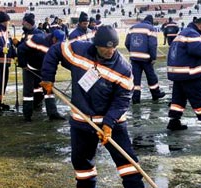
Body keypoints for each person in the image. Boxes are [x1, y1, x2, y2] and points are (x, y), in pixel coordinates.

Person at [40, 25, 145, 188]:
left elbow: (122, 100)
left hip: (112, 123)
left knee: (128, 165)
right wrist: (47, 77)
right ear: (96, 45)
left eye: (113, 48)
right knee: (83, 168)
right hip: (82, 121)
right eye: (105, 49)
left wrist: (109, 124)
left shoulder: (124, 69)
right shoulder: (78, 51)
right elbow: (55, 50)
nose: (110, 52)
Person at [167, 17, 201, 131]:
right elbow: (198, 50)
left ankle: (174, 121)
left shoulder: (184, 33)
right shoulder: (193, 33)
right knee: (197, 96)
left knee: (178, 98)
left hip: (178, 72)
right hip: (188, 72)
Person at [15, 14, 65, 122]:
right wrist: (23, 64)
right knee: (28, 93)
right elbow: (21, 49)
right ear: (54, 38)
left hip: (44, 70)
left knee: (48, 90)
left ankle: (53, 113)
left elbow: (56, 62)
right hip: (30, 68)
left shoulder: (58, 47)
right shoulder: (38, 38)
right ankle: (27, 116)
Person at [125, 14, 165, 104]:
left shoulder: (132, 28)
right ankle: (156, 94)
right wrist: (153, 57)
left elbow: (127, 43)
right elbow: (152, 45)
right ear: (151, 22)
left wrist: (132, 52)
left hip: (134, 59)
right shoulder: (151, 28)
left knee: (136, 79)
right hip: (146, 59)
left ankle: (136, 98)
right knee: (151, 77)